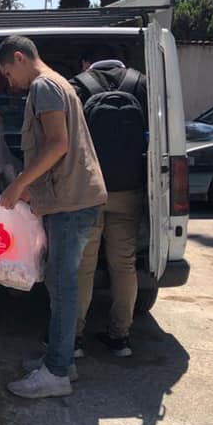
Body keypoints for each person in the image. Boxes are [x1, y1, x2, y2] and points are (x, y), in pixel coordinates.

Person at [0, 35, 106, 399]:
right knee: (61, 283)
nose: (10, 83)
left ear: (19, 58)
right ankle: (61, 360)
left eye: (9, 74)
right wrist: (31, 188)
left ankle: (57, 372)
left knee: (62, 285)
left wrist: (18, 186)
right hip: (72, 199)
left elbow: (57, 144)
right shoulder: (59, 84)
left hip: (71, 204)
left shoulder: (44, 87)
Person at [71, 45, 149, 358]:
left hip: (90, 190)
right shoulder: (140, 83)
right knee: (124, 264)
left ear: (86, 62)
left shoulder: (78, 85)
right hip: (129, 189)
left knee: (84, 267)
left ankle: (74, 339)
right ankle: (120, 337)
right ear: (122, 61)